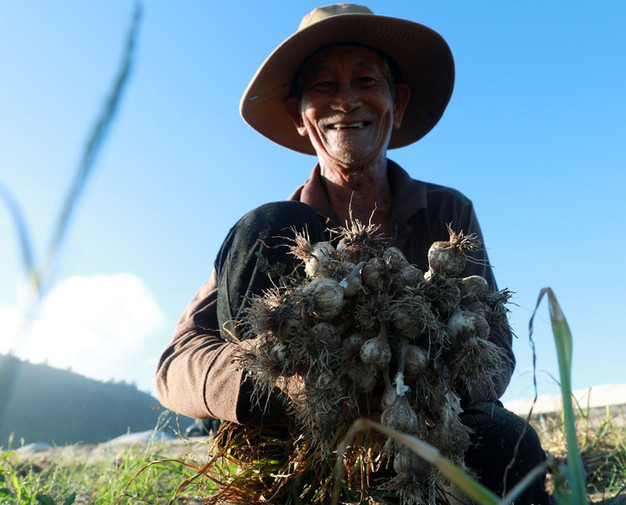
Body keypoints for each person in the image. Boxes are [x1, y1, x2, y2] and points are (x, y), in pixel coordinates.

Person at [155, 4, 550, 504]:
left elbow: (493, 347)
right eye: (322, 87)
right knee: (267, 222)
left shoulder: (447, 214)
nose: (345, 101)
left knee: (506, 444)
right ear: (301, 116)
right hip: (297, 442)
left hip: (419, 432)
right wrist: (287, 386)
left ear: (397, 102)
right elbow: (176, 364)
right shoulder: (272, 235)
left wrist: (404, 387)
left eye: (365, 80)